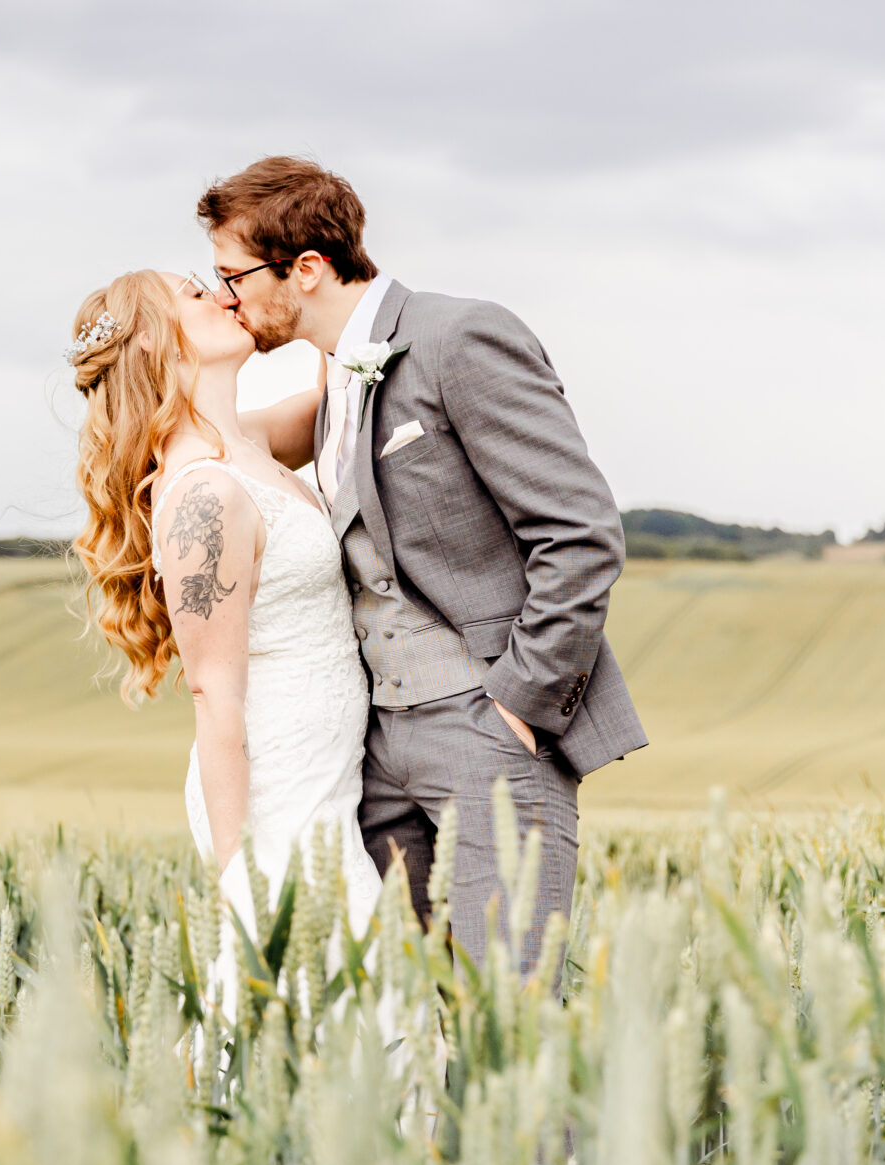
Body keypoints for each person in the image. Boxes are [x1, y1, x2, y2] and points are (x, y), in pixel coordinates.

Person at [197, 156, 647, 975]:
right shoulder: (334, 379)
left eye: (234, 277)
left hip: (486, 728)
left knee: (511, 1031)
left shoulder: (459, 337)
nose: (225, 296)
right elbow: (223, 441)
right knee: (425, 1021)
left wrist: (518, 706)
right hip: (374, 758)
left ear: (306, 269)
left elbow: (581, 533)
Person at [67, 269, 382, 1019]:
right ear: (156, 339)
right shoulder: (204, 494)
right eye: (196, 294)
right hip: (278, 788)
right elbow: (214, 695)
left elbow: (329, 405)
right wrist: (240, 874)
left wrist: (324, 291)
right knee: (321, 996)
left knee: (352, 999)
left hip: (327, 769)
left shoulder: (247, 442)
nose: (224, 294)